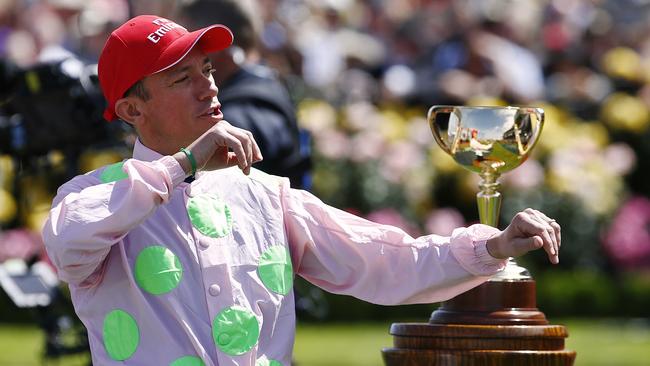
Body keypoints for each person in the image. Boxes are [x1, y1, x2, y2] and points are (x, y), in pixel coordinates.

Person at [42, 15, 561, 365]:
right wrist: (184, 163)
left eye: (207, 69)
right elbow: (69, 246)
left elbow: (384, 262)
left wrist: (493, 245)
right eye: (181, 79)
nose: (209, 86)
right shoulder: (93, 196)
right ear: (133, 110)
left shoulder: (268, 195)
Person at [177, 0, 310, 189]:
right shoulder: (261, 84)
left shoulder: (246, 109)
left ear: (220, 45)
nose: (180, 55)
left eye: (189, 43)